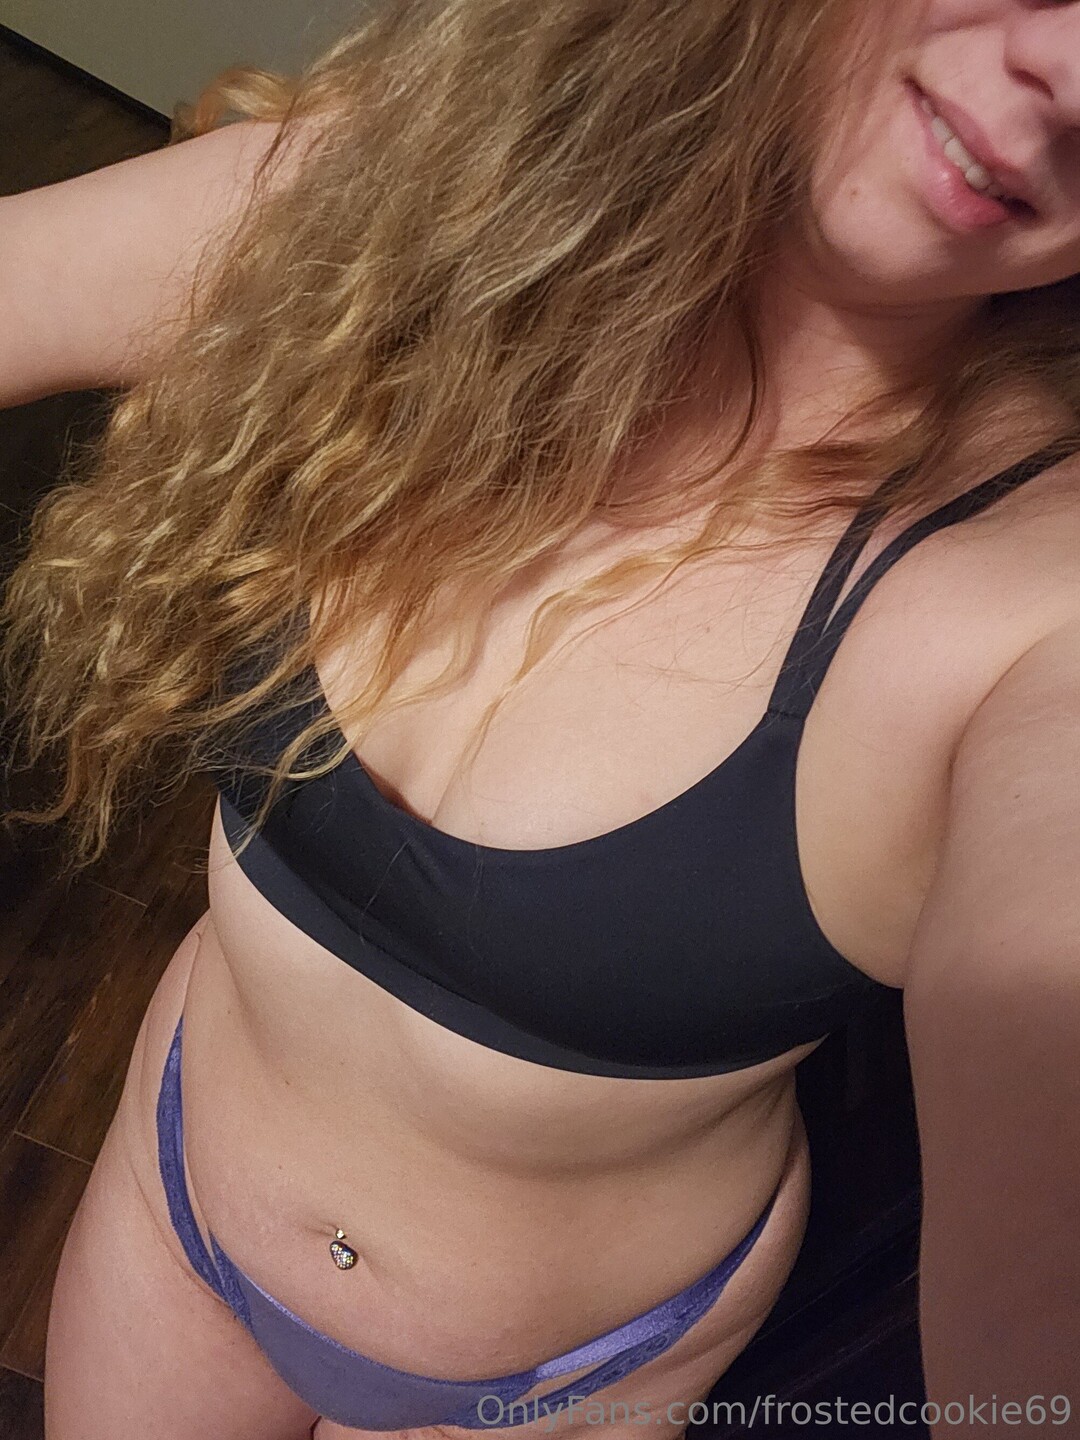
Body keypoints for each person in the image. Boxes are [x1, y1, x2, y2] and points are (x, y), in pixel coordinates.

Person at [2, 0, 1079, 1436]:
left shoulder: (1038, 610)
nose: (1070, 69)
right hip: (176, 1197)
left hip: (563, 1384)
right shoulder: (396, 220)